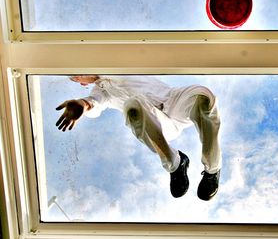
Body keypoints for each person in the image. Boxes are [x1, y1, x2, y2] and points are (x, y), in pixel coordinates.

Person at [55, 75, 221, 201]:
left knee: (203, 98)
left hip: (175, 100)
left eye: (76, 73)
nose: (77, 77)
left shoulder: (117, 61)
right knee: (132, 107)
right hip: (156, 123)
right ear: (83, 84)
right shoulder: (101, 91)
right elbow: (94, 102)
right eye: (75, 78)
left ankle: (212, 171)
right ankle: (176, 165)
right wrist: (82, 105)